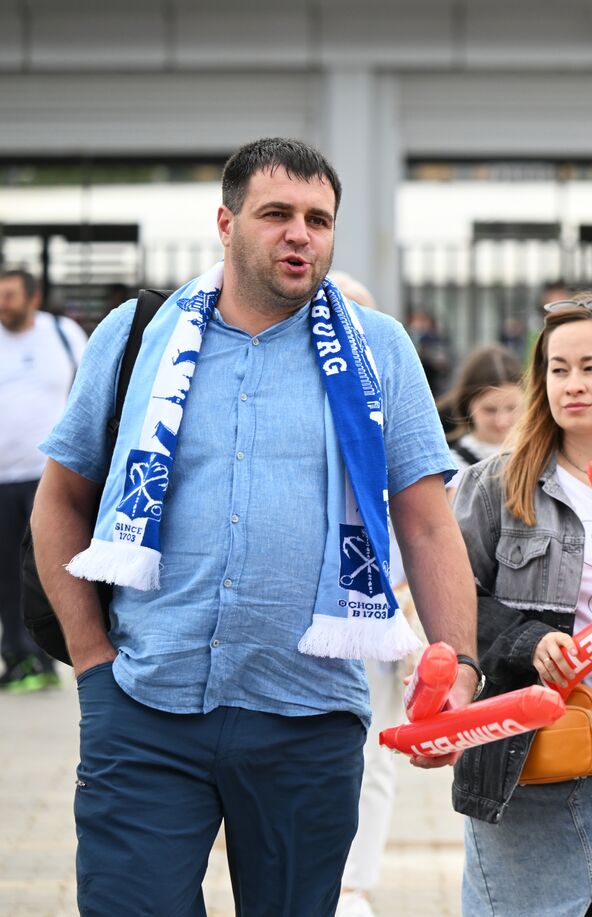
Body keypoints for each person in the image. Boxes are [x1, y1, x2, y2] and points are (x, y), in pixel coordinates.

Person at [30, 137, 480, 915]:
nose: (299, 233)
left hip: (306, 718)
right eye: (276, 214)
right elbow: (60, 499)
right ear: (226, 222)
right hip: (145, 705)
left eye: (318, 218)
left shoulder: (380, 351)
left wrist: (461, 671)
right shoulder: (137, 335)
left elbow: (429, 526)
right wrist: (92, 662)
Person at [451, 292, 592, 917]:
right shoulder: (493, 485)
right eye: (558, 369)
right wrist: (531, 641)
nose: (572, 384)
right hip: (522, 756)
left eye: (590, 367)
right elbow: (448, 604)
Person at [1, 268, 84, 692]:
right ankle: (18, 656)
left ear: (33, 298)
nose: (3, 303)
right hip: (2, 478)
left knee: (48, 568)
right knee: (7, 575)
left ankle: (51, 654)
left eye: (11, 296)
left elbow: (88, 395)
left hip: (47, 477)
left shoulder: (64, 334)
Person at [437, 343, 524, 475]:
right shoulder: (451, 469)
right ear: (468, 404)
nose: (501, 421)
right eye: (490, 410)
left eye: (511, 408)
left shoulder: (543, 457)